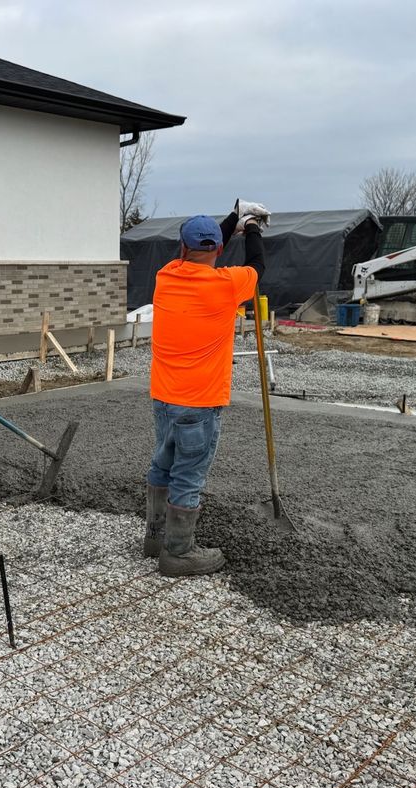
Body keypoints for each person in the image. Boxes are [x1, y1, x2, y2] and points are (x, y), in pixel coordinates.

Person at [144, 200, 268, 577]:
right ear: (217, 250)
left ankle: (155, 537)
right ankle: (178, 553)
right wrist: (253, 228)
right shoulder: (226, 286)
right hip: (199, 402)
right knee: (189, 474)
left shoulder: (166, 276)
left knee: (162, 464)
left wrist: (235, 218)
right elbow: (257, 268)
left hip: (164, 397)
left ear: (182, 250)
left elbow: (206, 246)